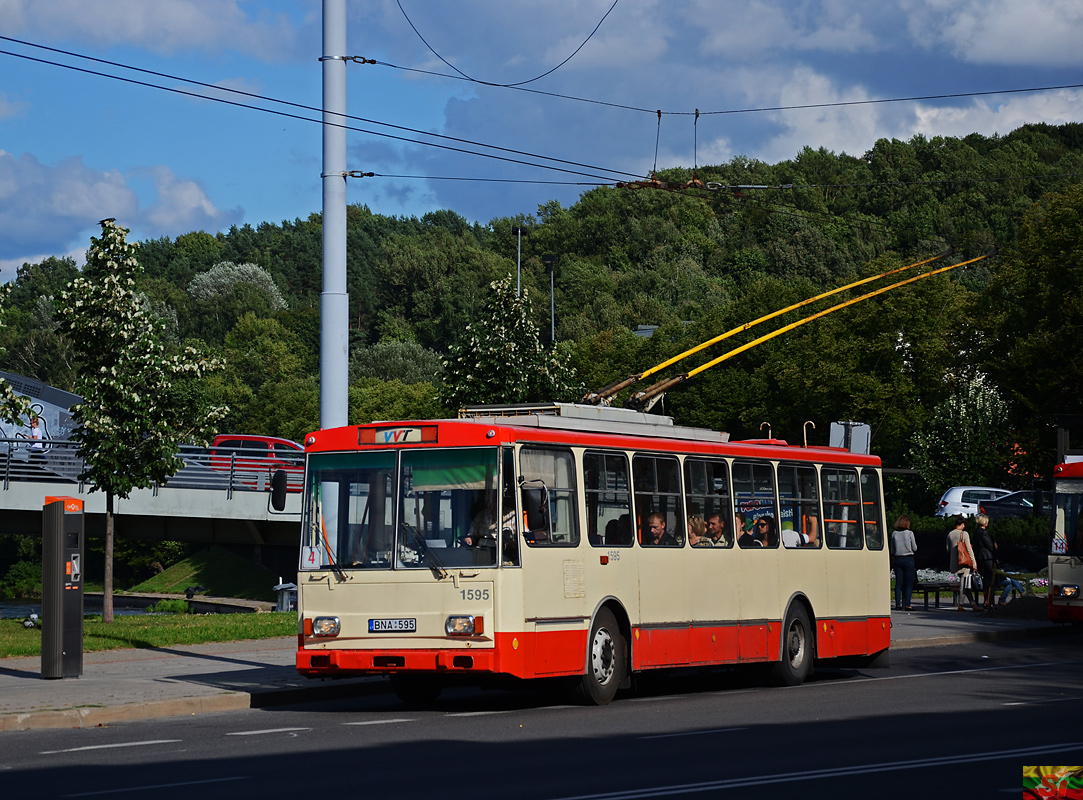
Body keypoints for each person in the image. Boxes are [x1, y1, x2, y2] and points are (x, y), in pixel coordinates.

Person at [946, 516, 981, 611]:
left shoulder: (950, 534)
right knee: (964, 584)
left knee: (966, 584)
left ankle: (973, 605)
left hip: (954, 562)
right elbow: (969, 549)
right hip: (964, 562)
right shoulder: (964, 534)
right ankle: (960, 605)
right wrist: (974, 562)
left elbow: (948, 549)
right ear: (962, 524)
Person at [890, 514, 918, 611]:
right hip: (908, 558)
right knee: (908, 583)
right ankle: (907, 604)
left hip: (898, 559)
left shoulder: (894, 534)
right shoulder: (910, 533)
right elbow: (915, 548)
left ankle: (898, 604)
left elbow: (892, 550)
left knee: (899, 583)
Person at [972, 513, 997, 610]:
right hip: (987, 558)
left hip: (980, 558)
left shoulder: (975, 532)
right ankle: (989, 601)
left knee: (985, 580)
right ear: (985, 523)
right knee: (992, 580)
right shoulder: (984, 533)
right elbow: (990, 546)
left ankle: (986, 600)